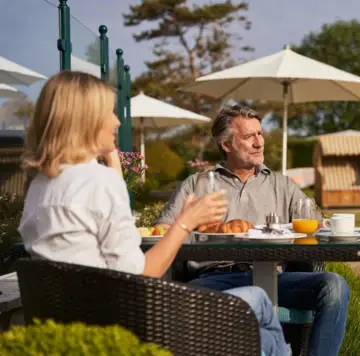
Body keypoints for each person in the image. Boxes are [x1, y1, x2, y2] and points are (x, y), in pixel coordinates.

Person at [18, 72, 290, 356]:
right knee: (259, 299)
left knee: (260, 334)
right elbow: (145, 272)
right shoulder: (98, 182)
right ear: (84, 120)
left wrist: (111, 157)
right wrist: (186, 221)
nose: (117, 121)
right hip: (131, 323)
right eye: (108, 112)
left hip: (79, 322)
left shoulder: (40, 185)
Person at [156, 104, 350, 356]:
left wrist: (325, 228)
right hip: (214, 279)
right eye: (249, 136)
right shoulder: (198, 184)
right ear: (226, 145)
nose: (259, 143)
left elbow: (316, 228)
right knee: (179, 301)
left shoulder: (282, 186)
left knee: (334, 286)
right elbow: (162, 231)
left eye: (260, 134)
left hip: (274, 279)